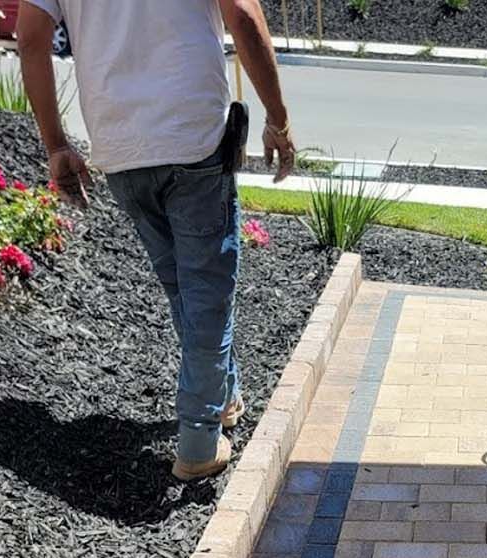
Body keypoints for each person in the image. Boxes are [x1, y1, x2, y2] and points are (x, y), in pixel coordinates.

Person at [17, 0, 296, 481]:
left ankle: (223, 397)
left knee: (184, 289)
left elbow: (30, 40)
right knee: (206, 296)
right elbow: (245, 18)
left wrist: (57, 145)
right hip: (192, 139)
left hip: (120, 146)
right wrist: (278, 119)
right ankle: (199, 444)